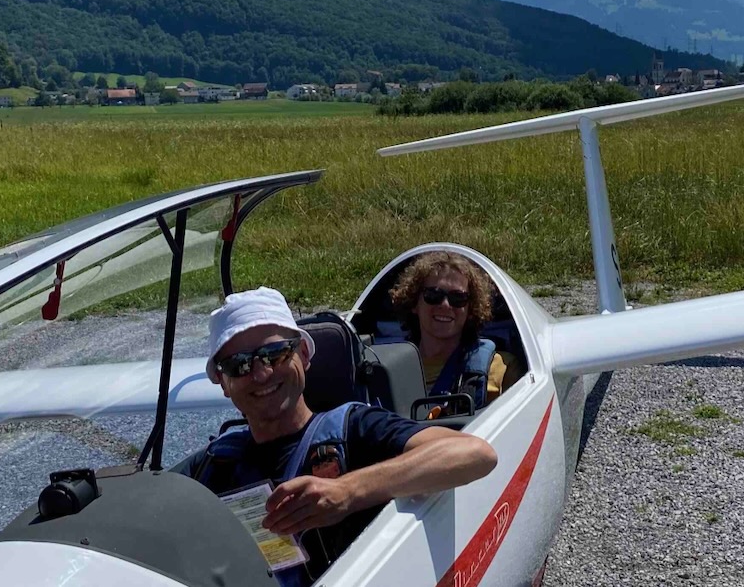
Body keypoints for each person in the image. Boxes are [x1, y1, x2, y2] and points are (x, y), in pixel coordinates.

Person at [172, 286, 497, 587]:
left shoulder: (354, 429)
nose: (261, 373)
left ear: (303, 354)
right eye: (239, 365)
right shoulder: (215, 463)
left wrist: (348, 491)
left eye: (274, 354)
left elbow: (474, 454)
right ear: (223, 383)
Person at [387, 251, 526, 410]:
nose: (445, 305)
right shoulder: (388, 371)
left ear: (471, 309)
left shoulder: (502, 369)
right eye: (433, 295)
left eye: (457, 298)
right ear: (414, 303)